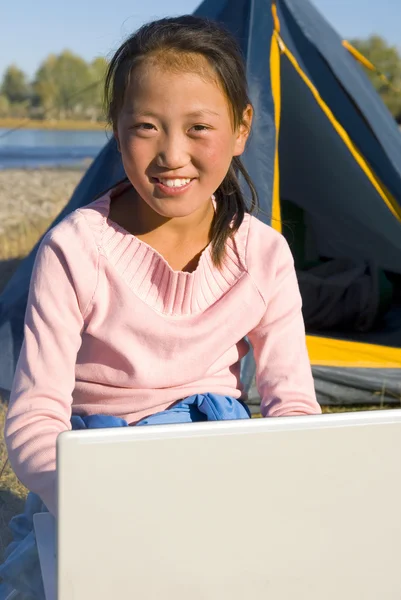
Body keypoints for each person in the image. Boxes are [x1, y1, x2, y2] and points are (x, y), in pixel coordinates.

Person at [4, 15, 321, 521]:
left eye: (199, 128)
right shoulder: (75, 249)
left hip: (216, 458)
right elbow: (34, 421)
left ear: (241, 128)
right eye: (146, 128)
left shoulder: (265, 255)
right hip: (101, 468)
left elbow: (294, 406)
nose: (172, 155)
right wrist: (90, 504)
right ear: (117, 129)